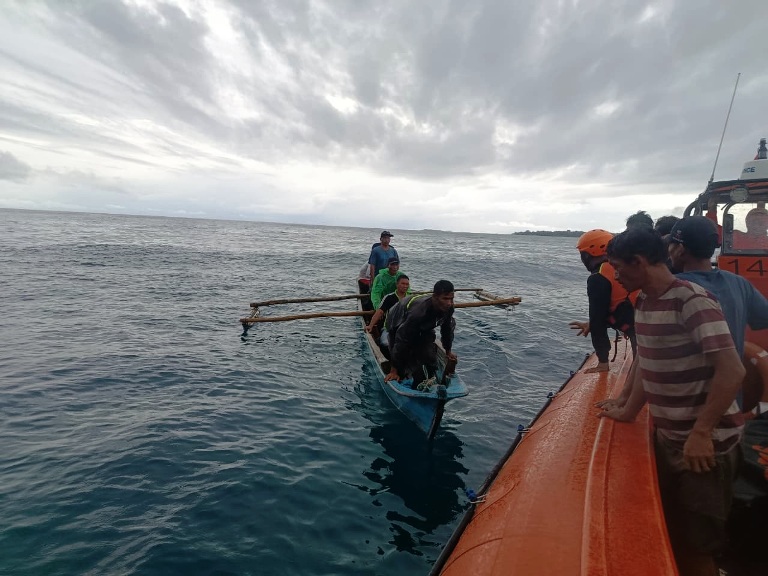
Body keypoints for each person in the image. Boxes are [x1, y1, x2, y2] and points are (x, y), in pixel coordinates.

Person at [598, 226, 745, 576]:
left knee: (697, 549)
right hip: (671, 440)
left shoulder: (691, 301)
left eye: (618, 267)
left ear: (639, 262)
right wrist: (628, 409)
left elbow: (732, 371)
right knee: (675, 535)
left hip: (704, 449)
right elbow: (648, 362)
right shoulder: (645, 301)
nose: (615, 276)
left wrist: (701, 433)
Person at [569, 229, 638, 373]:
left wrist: (603, 361)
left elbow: (597, 319)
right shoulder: (626, 266)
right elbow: (621, 304)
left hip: (639, 333)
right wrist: (592, 323)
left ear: (587, 255)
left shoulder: (598, 278)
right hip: (647, 325)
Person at [384, 279, 457, 387]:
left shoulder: (449, 308)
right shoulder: (418, 313)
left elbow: (447, 329)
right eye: (445, 299)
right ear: (435, 297)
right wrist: (394, 371)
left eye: (451, 298)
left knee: (430, 357)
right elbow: (401, 340)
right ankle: (399, 370)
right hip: (397, 319)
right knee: (403, 348)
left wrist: (448, 351)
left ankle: (429, 378)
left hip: (423, 324)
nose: (449, 303)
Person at [365, 274, 410, 349]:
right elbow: (379, 312)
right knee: (385, 343)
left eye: (407, 284)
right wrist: (370, 326)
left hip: (404, 329)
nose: (405, 286)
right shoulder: (389, 298)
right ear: (397, 284)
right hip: (389, 329)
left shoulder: (411, 298)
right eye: (403, 283)